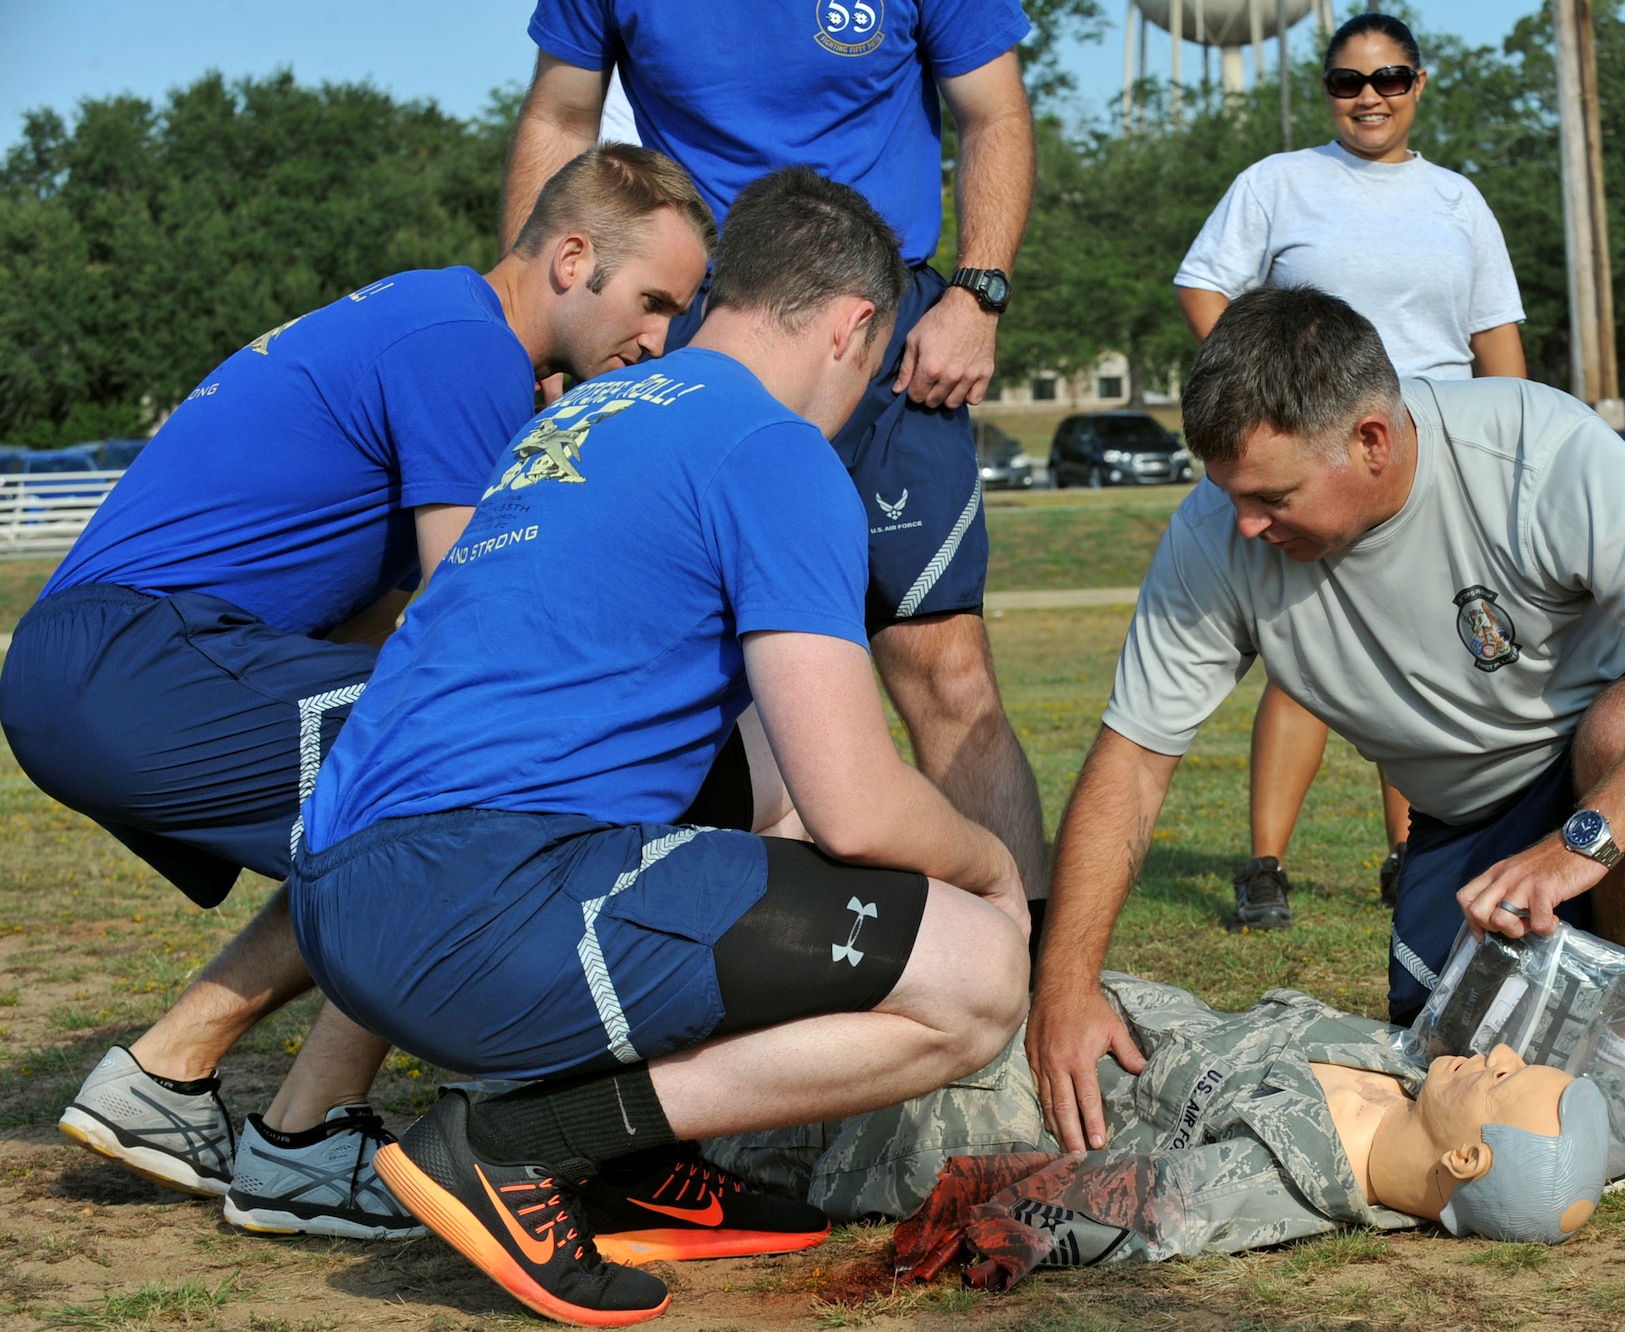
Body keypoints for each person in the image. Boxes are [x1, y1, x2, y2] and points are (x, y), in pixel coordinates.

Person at [291, 169, 1031, 1328]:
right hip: (479, 899)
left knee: (772, 839)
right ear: (853, 326)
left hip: (343, 908)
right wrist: (988, 874)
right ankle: (517, 1144)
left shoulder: (582, 419)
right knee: (977, 977)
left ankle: (626, 1166)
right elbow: (854, 806)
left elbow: (782, 800)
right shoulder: (773, 451)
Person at [0, 145, 714, 1240]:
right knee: (459, 782)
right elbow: (476, 610)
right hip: (135, 659)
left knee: (398, 796)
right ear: (573, 258)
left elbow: (384, 628)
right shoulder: (464, 343)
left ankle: (174, 1076)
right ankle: (300, 1144)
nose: (661, 337)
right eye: (655, 300)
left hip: (108, 662)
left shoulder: (433, 322)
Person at [1027, 288, 1625, 1169]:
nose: (1245, 523)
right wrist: (1065, 984)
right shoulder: (1218, 534)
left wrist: (1581, 843)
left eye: (1272, 495)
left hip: (1620, 764)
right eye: (1230, 494)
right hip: (1467, 823)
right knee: (1443, 1079)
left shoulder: (1530, 449)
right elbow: (1132, 761)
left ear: (1371, 440)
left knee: (1624, 727)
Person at [496, 0, 1050, 925]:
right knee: (685, 670)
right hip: (701, 312)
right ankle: (684, 955)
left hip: (884, 318)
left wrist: (978, 293)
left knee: (943, 668)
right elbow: (559, 116)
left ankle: (1030, 978)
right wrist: (545, 331)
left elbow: (994, 111)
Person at [1175, 12, 1528, 929]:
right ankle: (1265, 867)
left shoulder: (1459, 200)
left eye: (1390, 78)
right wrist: (1267, 396)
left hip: (1428, 458)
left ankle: (1413, 855)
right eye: (1348, 81)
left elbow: (1498, 344)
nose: (1368, 96)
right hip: (1319, 459)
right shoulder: (1279, 183)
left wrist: (1515, 450)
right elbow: (1202, 283)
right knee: (1305, 657)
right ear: (1327, 88)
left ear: (1419, 84)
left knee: (1425, 654)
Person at [708, 972, 1611, 1283]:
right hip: (1012, 1005)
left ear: (1465, 1157)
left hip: (910, 1100)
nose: (1496, 1055)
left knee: (701, 1083)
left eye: (1506, 1082)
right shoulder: (1409, 1068)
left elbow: (1092, 1215)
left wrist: (984, 1234)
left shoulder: (1275, 1185)